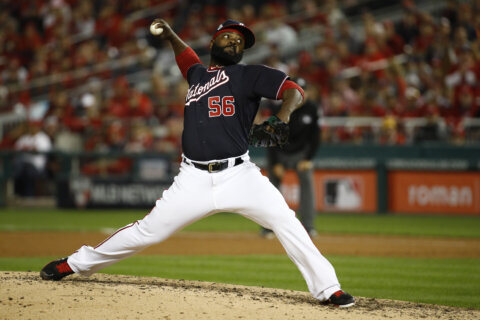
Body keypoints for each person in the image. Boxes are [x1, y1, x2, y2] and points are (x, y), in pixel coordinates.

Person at [40, 18, 355, 308]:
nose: (235, 43)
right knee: (148, 232)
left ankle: (329, 288)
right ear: (214, 43)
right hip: (192, 179)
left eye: (240, 42)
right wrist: (169, 34)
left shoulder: (249, 75)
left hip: (240, 175)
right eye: (229, 37)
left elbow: (294, 90)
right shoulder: (198, 75)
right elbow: (186, 57)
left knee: (286, 222)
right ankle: (74, 264)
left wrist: (283, 115)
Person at [260, 77, 320, 239]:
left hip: (301, 154)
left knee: (307, 180)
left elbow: (315, 137)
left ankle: (308, 226)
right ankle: (268, 227)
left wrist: (308, 159)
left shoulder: (312, 109)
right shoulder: (280, 108)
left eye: (302, 91)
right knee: (271, 187)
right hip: (280, 152)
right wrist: (275, 163)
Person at [13, 121, 52, 197]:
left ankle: (28, 195)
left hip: (37, 166)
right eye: (31, 126)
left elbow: (46, 151)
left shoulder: (43, 138)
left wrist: (29, 149)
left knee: (25, 169)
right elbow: (15, 149)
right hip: (22, 164)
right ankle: (18, 194)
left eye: (35, 126)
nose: (32, 128)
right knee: (18, 167)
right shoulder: (24, 137)